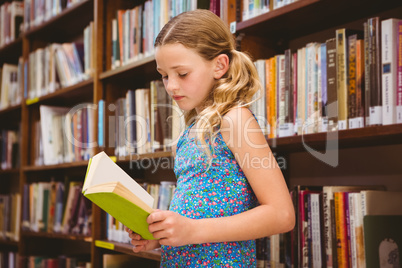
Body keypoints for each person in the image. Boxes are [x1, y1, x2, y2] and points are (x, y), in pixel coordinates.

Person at [125, 9, 295, 267]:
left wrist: (191, 231)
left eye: (181, 74)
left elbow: (282, 215)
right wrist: (162, 235)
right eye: (164, 75)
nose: (170, 86)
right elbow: (197, 211)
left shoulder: (235, 120)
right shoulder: (192, 129)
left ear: (219, 65)